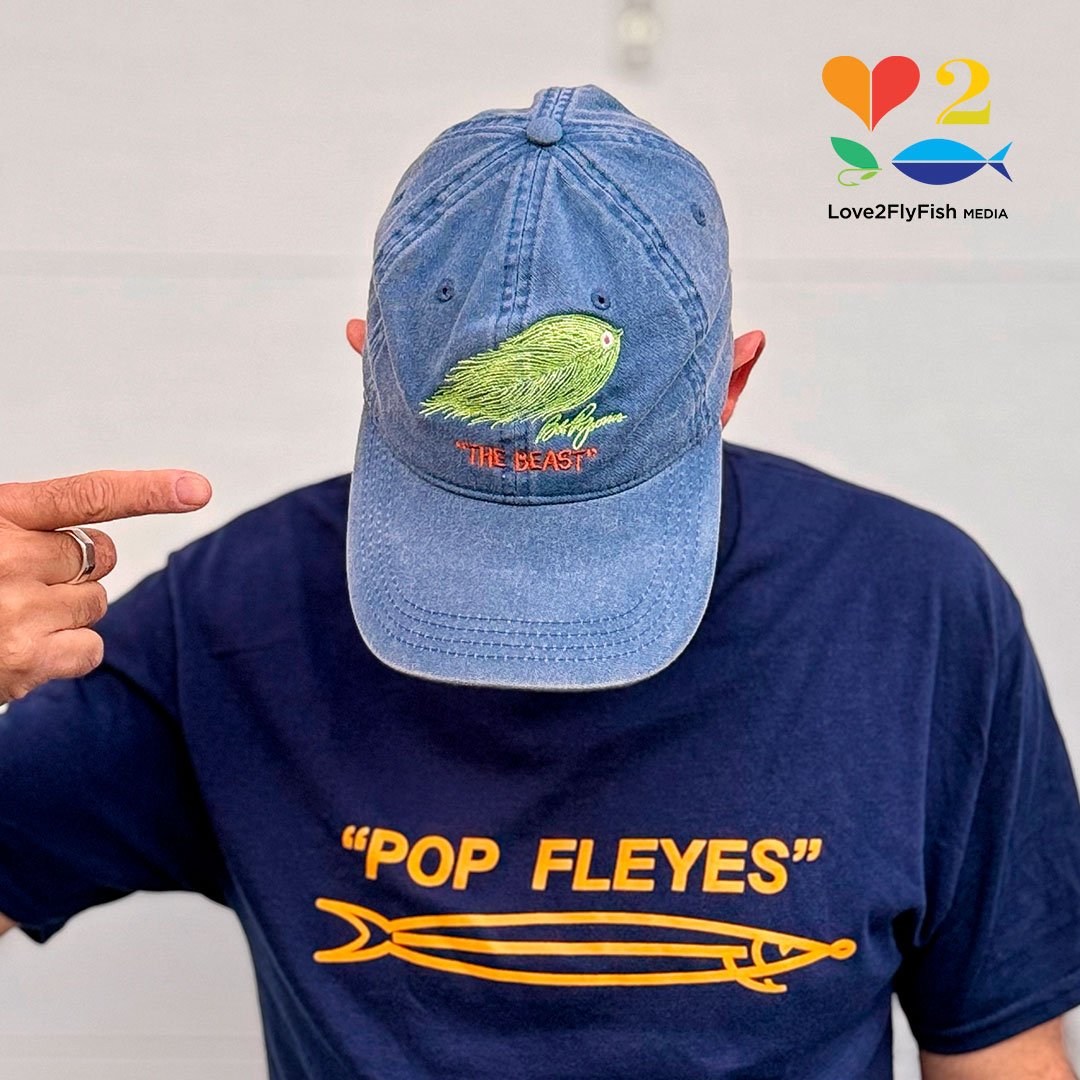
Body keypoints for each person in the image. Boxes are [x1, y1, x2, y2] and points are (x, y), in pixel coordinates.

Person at [1, 84, 1078, 1080]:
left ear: (733, 381)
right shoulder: (235, 613)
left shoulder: (916, 612)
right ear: (369, 363)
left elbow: (1005, 1056)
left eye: (587, 531)